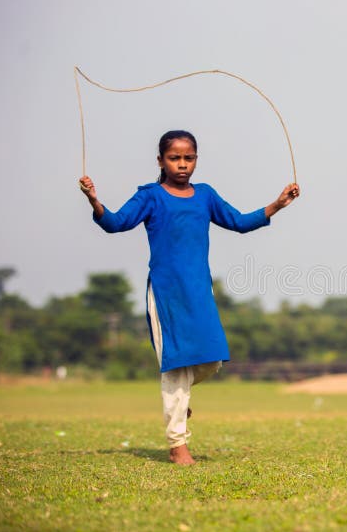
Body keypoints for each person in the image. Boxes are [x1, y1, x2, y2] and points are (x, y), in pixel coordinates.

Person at [79, 130, 300, 465]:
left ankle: (179, 401)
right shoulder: (150, 196)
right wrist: (94, 200)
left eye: (189, 158)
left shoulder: (205, 195)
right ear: (160, 161)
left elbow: (239, 222)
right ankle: (177, 445)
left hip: (199, 290)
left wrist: (278, 204)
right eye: (174, 158)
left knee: (212, 359)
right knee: (176, 369)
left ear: (196, 159)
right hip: (167, 292)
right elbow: (115, 223)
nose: (182, 164)